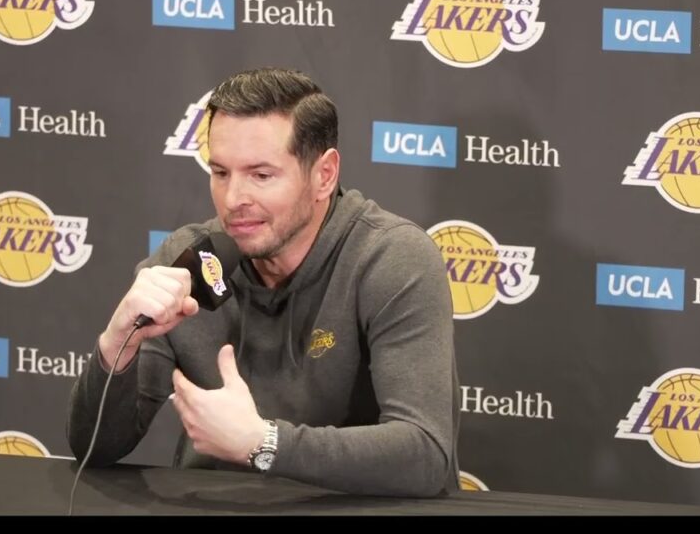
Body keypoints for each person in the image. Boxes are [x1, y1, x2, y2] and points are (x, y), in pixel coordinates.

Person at [67, 67, 460, 497]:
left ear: (324, 175)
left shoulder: (391, 257)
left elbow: (425, 456)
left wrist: (264, 444)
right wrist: (116, 345)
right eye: (221, 173)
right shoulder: (189, 261)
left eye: (261, 175)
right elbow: (96, 449)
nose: (234, 199)